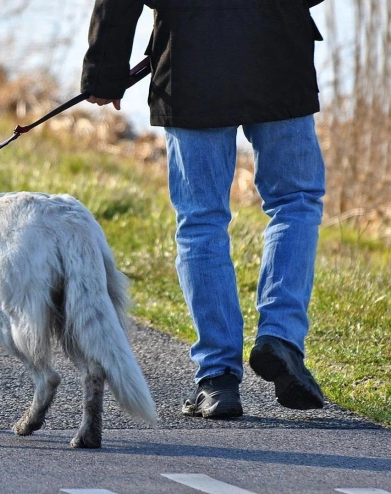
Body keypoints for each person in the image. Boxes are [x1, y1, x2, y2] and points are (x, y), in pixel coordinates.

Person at [82, 0, 327, 418]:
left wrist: (104, 71)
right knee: (295, 202)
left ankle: (217, 378)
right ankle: (281, 337)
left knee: (201, 220)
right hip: (278, 51)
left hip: (190, 60)